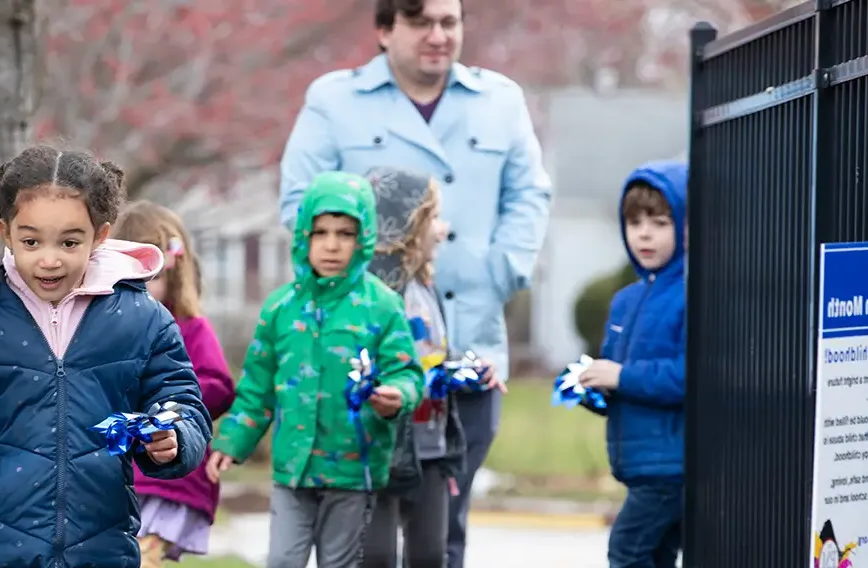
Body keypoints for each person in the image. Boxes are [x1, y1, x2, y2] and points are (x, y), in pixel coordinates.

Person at [275, 0, 553, 563]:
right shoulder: (335, 101)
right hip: (361, 353)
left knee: (444, 521)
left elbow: (530, 195)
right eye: (420, 21)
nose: (438, 35)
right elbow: (299, 204)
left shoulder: (500, 101)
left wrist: (499, 273)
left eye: (449, 22)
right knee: (364, 522)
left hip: (469, 340)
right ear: (384, 29)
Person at [0, 145, 212, 566]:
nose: (49, 259)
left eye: (70, 242)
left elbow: (181, 400)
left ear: (100, 235)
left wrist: (174, 437)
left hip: (103, 548)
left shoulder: (142, 319)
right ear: (5, 232)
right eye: (31, 241)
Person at [206, 171, 426, 568]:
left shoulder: (382, 305)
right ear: (302, 236)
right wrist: (233, 440)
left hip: (353, 467)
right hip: (293, 468)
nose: (331, 245)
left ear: (363, 240)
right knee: (282, 561)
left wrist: (397, 396)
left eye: (345, 234)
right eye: (320, 232)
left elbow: (406, 373)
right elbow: (257, 387)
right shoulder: (280, 308)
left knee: (337, 563)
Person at [357, 167, 504, 568]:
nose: (443, 229)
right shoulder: (370, 296)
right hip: (381, 449)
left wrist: (468, 370)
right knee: (377, 555)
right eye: (433, 218)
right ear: (403, 226)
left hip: (431, 448)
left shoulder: (425, 288)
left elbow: (430, 356)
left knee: (430, 555)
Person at [111, 201, 236, 567]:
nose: (143, 290)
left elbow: (219, 384)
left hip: (170, 478)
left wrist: (172, 403)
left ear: (174, 271)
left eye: (152, 277)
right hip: (123, 477)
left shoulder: (189, 328)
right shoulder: (110, 331)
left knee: (143, 560)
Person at [578, 160, 687, 568]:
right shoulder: (625, 299)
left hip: (670, 465)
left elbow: (686, 376)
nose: (644, 233)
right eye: (634, 222)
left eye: (660, 222)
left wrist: (621, 377)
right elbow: (616, 377)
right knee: (654, 556)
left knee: (626, 551)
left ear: (686, 226)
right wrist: (594, 387)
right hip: (638, 463)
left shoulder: (691, 293)